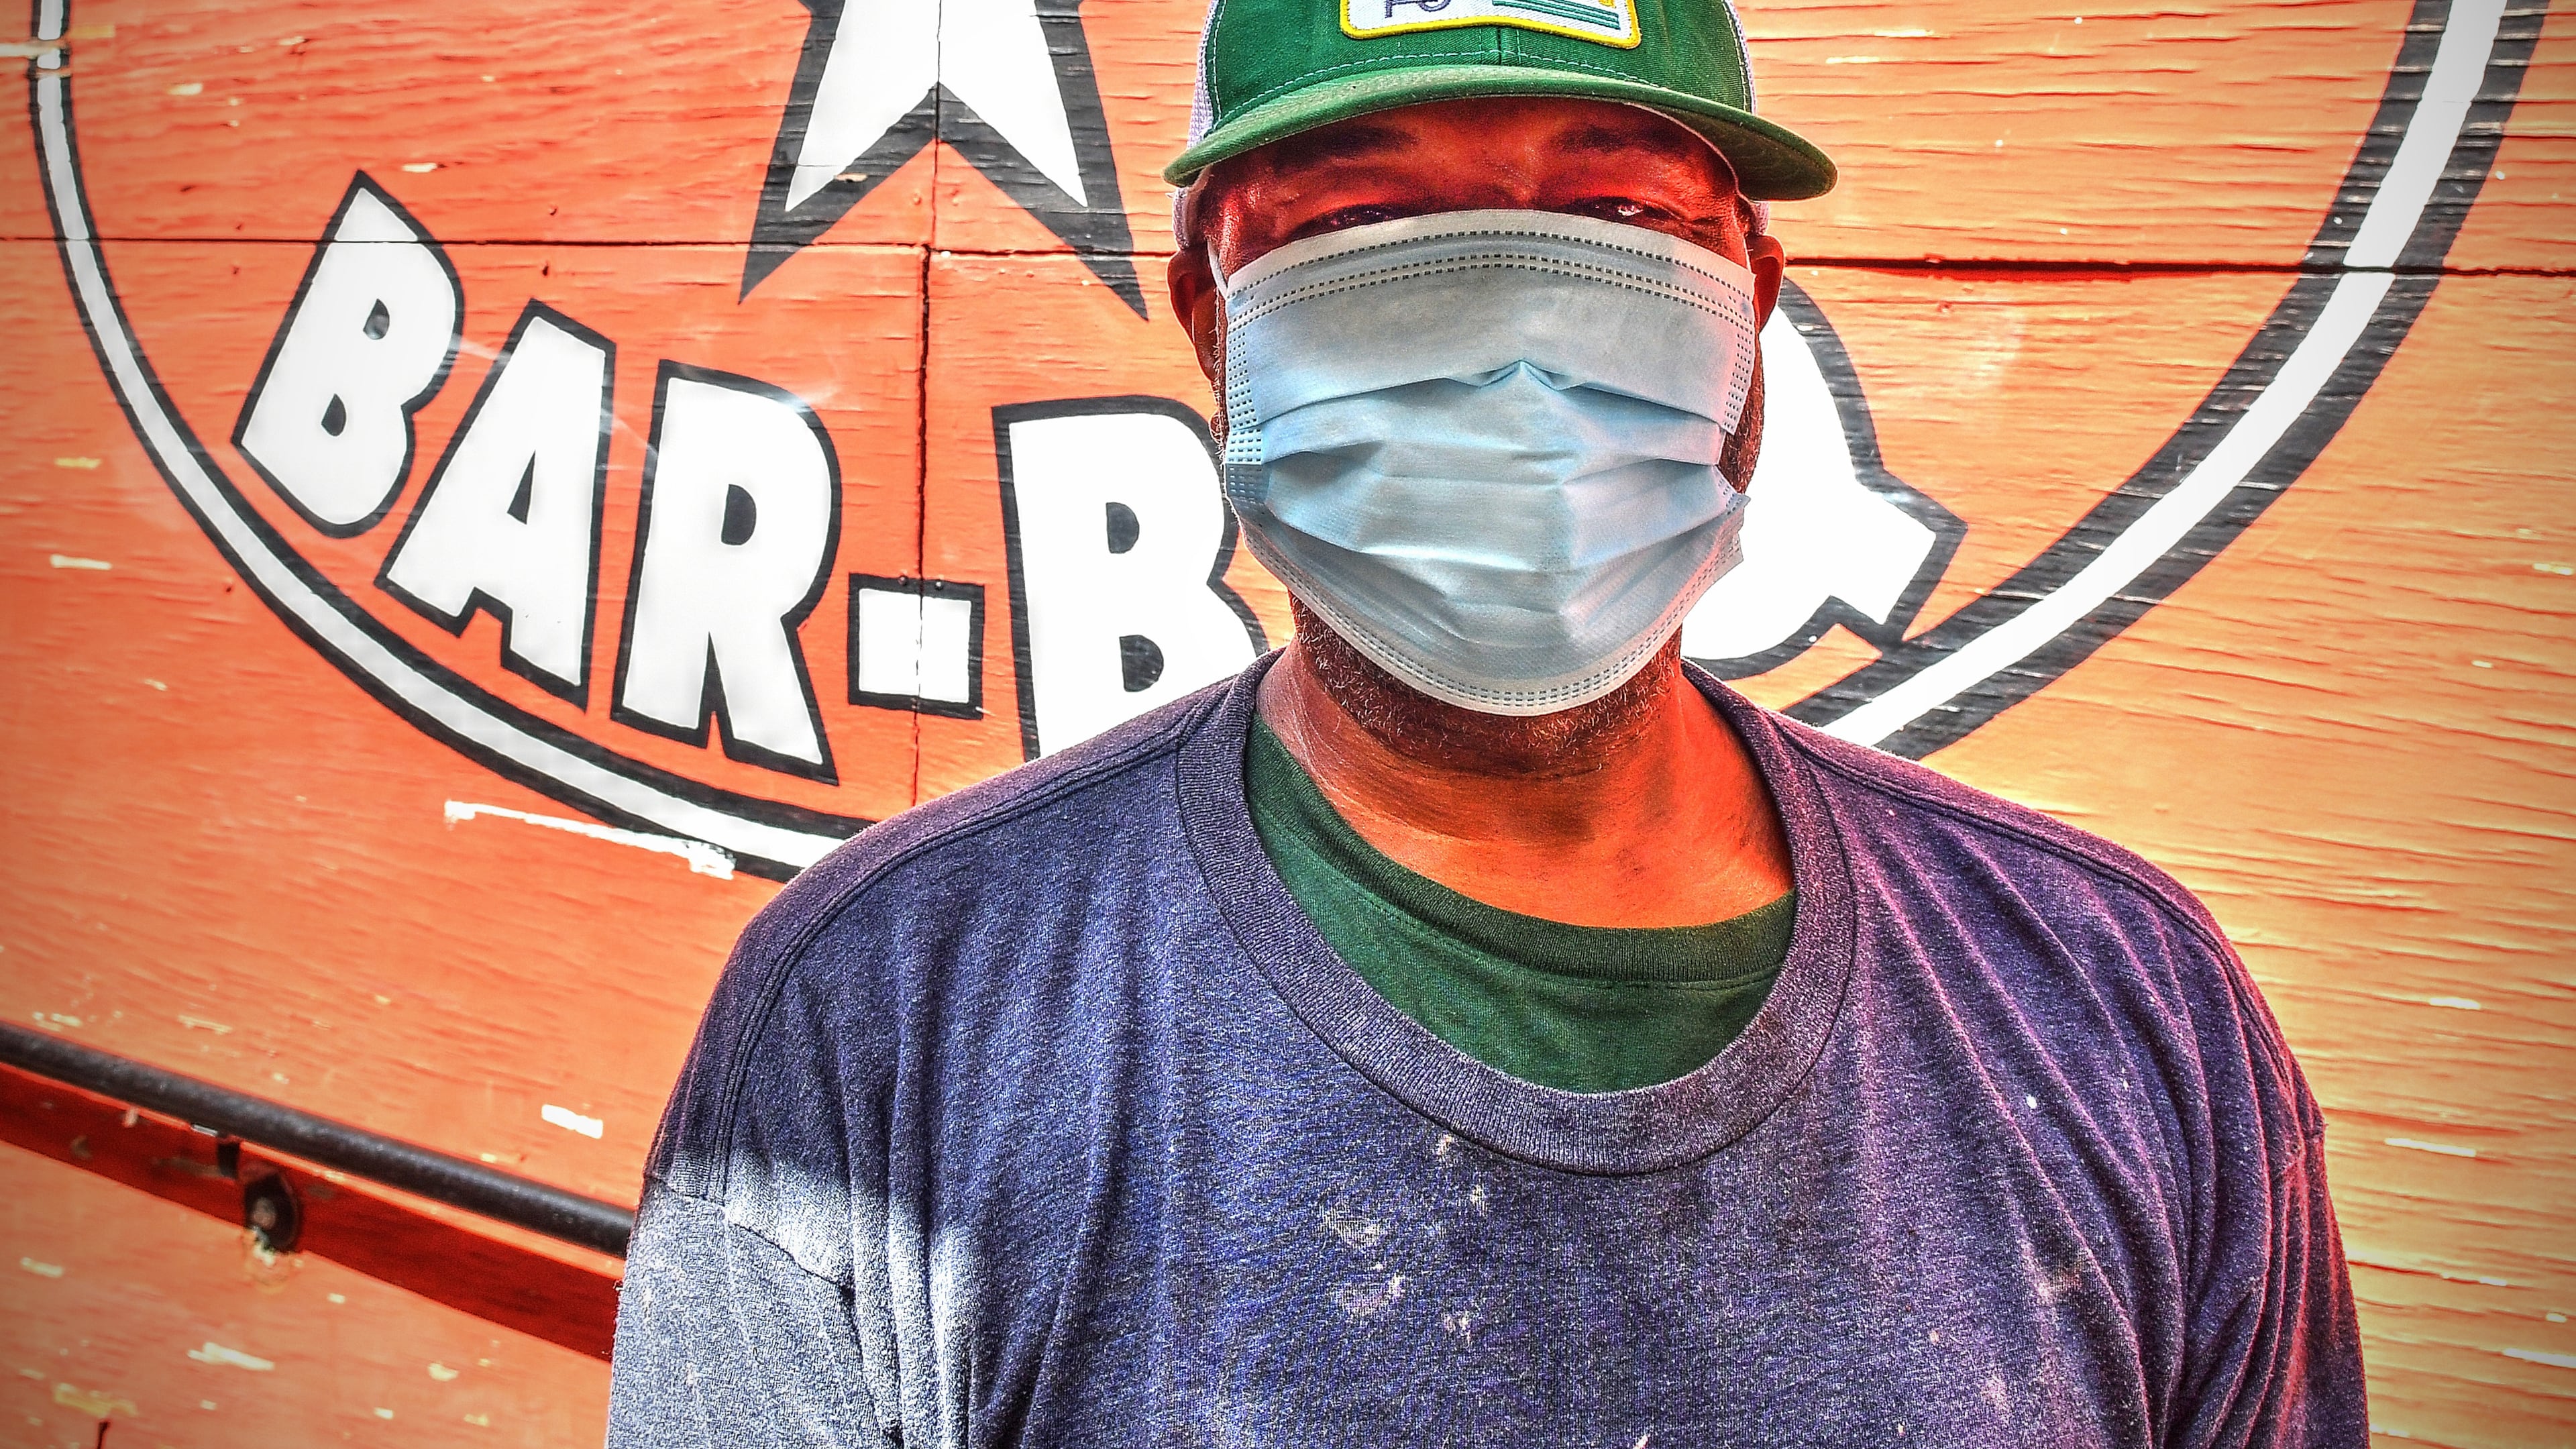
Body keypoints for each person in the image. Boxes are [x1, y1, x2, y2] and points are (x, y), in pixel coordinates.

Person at [609, 0, 2366, 1441]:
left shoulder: (2121, 1002)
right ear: (1213, 319)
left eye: (1619, 220)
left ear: (1751, 301)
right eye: (1359, 228)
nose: (1516, 342)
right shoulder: (888, 1013)